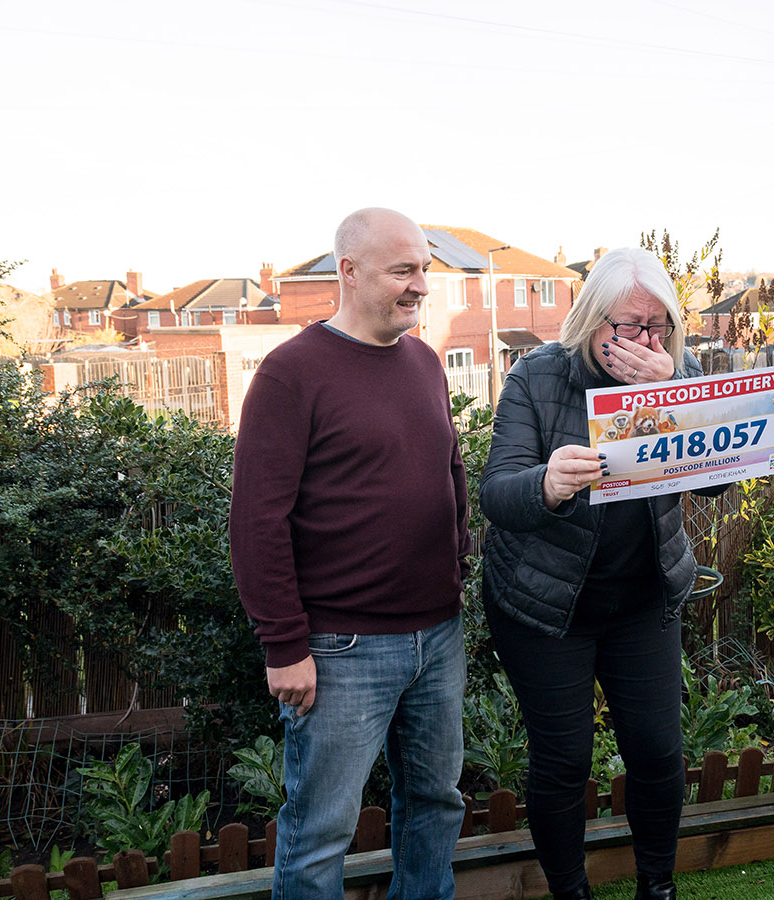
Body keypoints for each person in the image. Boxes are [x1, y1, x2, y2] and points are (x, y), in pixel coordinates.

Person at [229, 208, 470, 900]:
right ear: (350, 271)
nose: (420, 285)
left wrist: (452, 572)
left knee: (436, 806)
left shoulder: (425, 361)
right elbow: (257, 521)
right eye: (404, 270)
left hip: (438, 636)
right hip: (341, 648)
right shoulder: (290, 374)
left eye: (424, 269)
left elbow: (447, 470)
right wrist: (284, 644)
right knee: (319, 832)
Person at [481, 247, 724, 900]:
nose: (645, 341)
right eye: (629, 326)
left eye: (658, 327)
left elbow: (718, 482)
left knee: (656, 752)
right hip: (544, 606)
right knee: (564, 762)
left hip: (642, 599)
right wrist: (548, 484)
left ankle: (657, 887)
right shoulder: (537, 376)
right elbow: (497, 492)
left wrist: (673, 394)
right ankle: (572, 893)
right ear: (591, 321)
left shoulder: (679, 370)